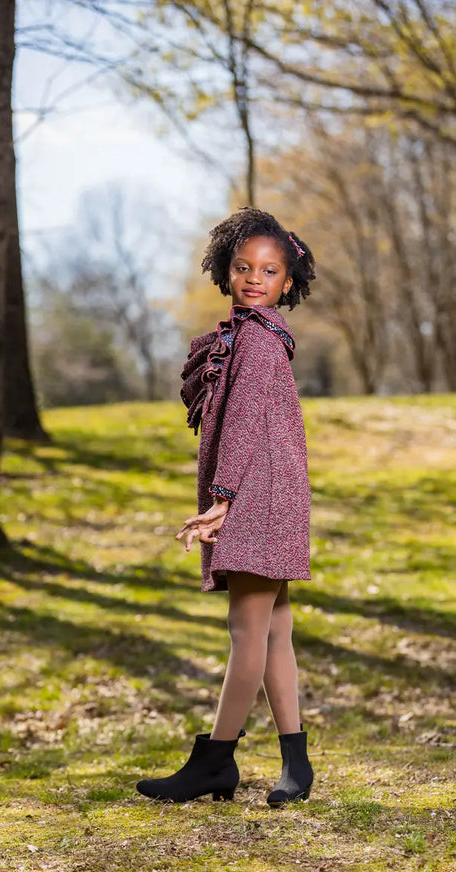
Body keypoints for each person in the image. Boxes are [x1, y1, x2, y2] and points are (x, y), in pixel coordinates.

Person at [136, 207, 315, 807]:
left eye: (269, 271)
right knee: (275, 632)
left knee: (247, 633)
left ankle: (215, 762)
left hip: (257, 498)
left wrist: (222, 501)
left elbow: (241, 426)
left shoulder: (258, 344)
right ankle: (296, 763)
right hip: (272, 493)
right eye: (243, 267)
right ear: (226, 270)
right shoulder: (250, 340)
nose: (254, 278)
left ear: (287, 283)